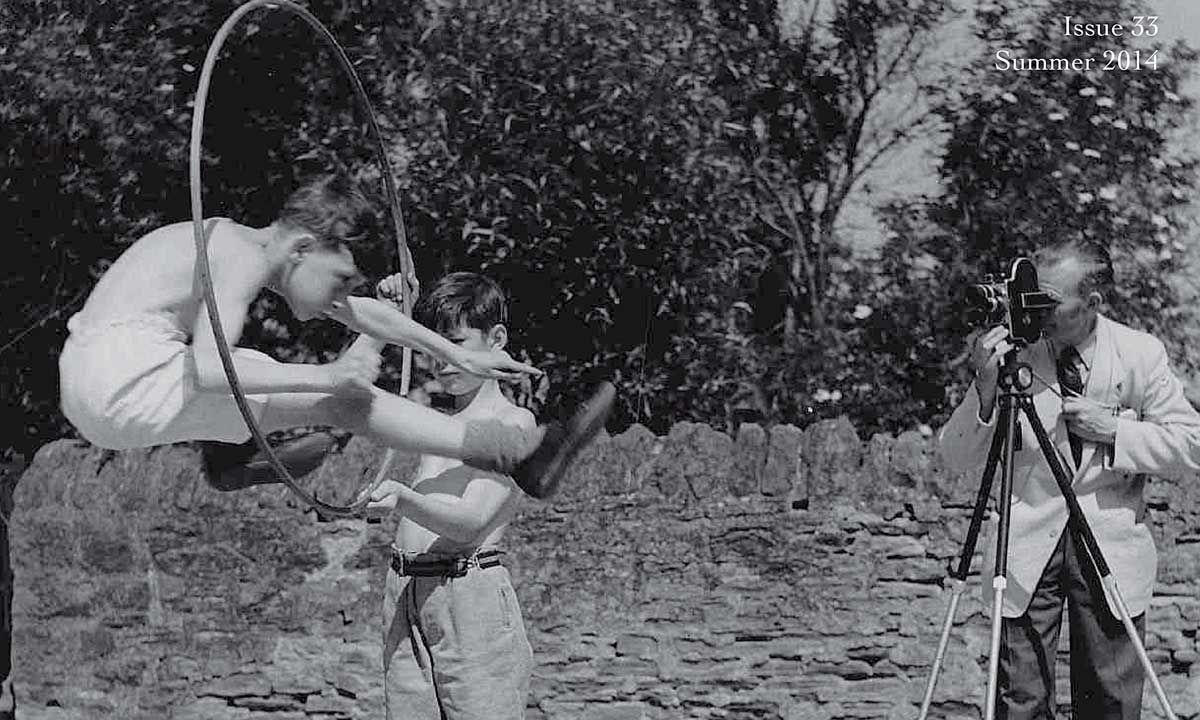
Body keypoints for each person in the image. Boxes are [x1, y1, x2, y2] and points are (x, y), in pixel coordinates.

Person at [58, 173, 614, 499]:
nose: (339, 296)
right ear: (302, 247)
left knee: (331, 395)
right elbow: (210, 369)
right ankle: (518, 453)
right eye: (340, 278)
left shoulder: (252, 250)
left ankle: (233, 449)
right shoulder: (234, 255)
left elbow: (358, 313)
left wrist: (443, 347)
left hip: (101, 385)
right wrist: (326, 373)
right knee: (333, 395)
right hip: (121, 376)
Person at [938, 240, 1200, 720]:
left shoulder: (1140, 354)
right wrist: (984, 389)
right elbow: (953, 458)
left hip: (1110, 545)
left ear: (1093, 304)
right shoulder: (1012, 354)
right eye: (1030, 296)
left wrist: (1115, 431)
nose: (1036, 311)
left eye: (1050, 302)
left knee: (1111, 702)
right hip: (1024, 552)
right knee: (1020, 702)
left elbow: (1192, 446)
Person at [369, 272, 542, 719]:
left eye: (456, 343)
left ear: (496, 338)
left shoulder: (512, 424)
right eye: (431, 348)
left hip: (468, 595)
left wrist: (403, 499)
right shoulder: (438, 422)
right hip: (406, 591)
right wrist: (387, 313)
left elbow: (470, 523)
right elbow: (354, 391)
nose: (442, 361)